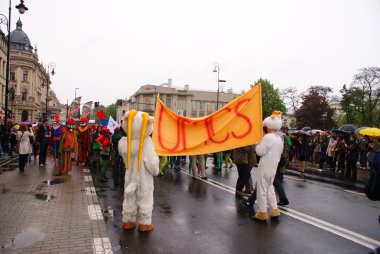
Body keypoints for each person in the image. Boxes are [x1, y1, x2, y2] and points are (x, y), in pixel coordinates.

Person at [251, 111, 284, 222]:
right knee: (270, 189)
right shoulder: (279, 139)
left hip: (265, 166)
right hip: (273, 167)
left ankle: (262, 213)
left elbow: (260, 152)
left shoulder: (268, 137)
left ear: (268, 126)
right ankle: (274, 211)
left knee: (261, 190)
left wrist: (257, 144)